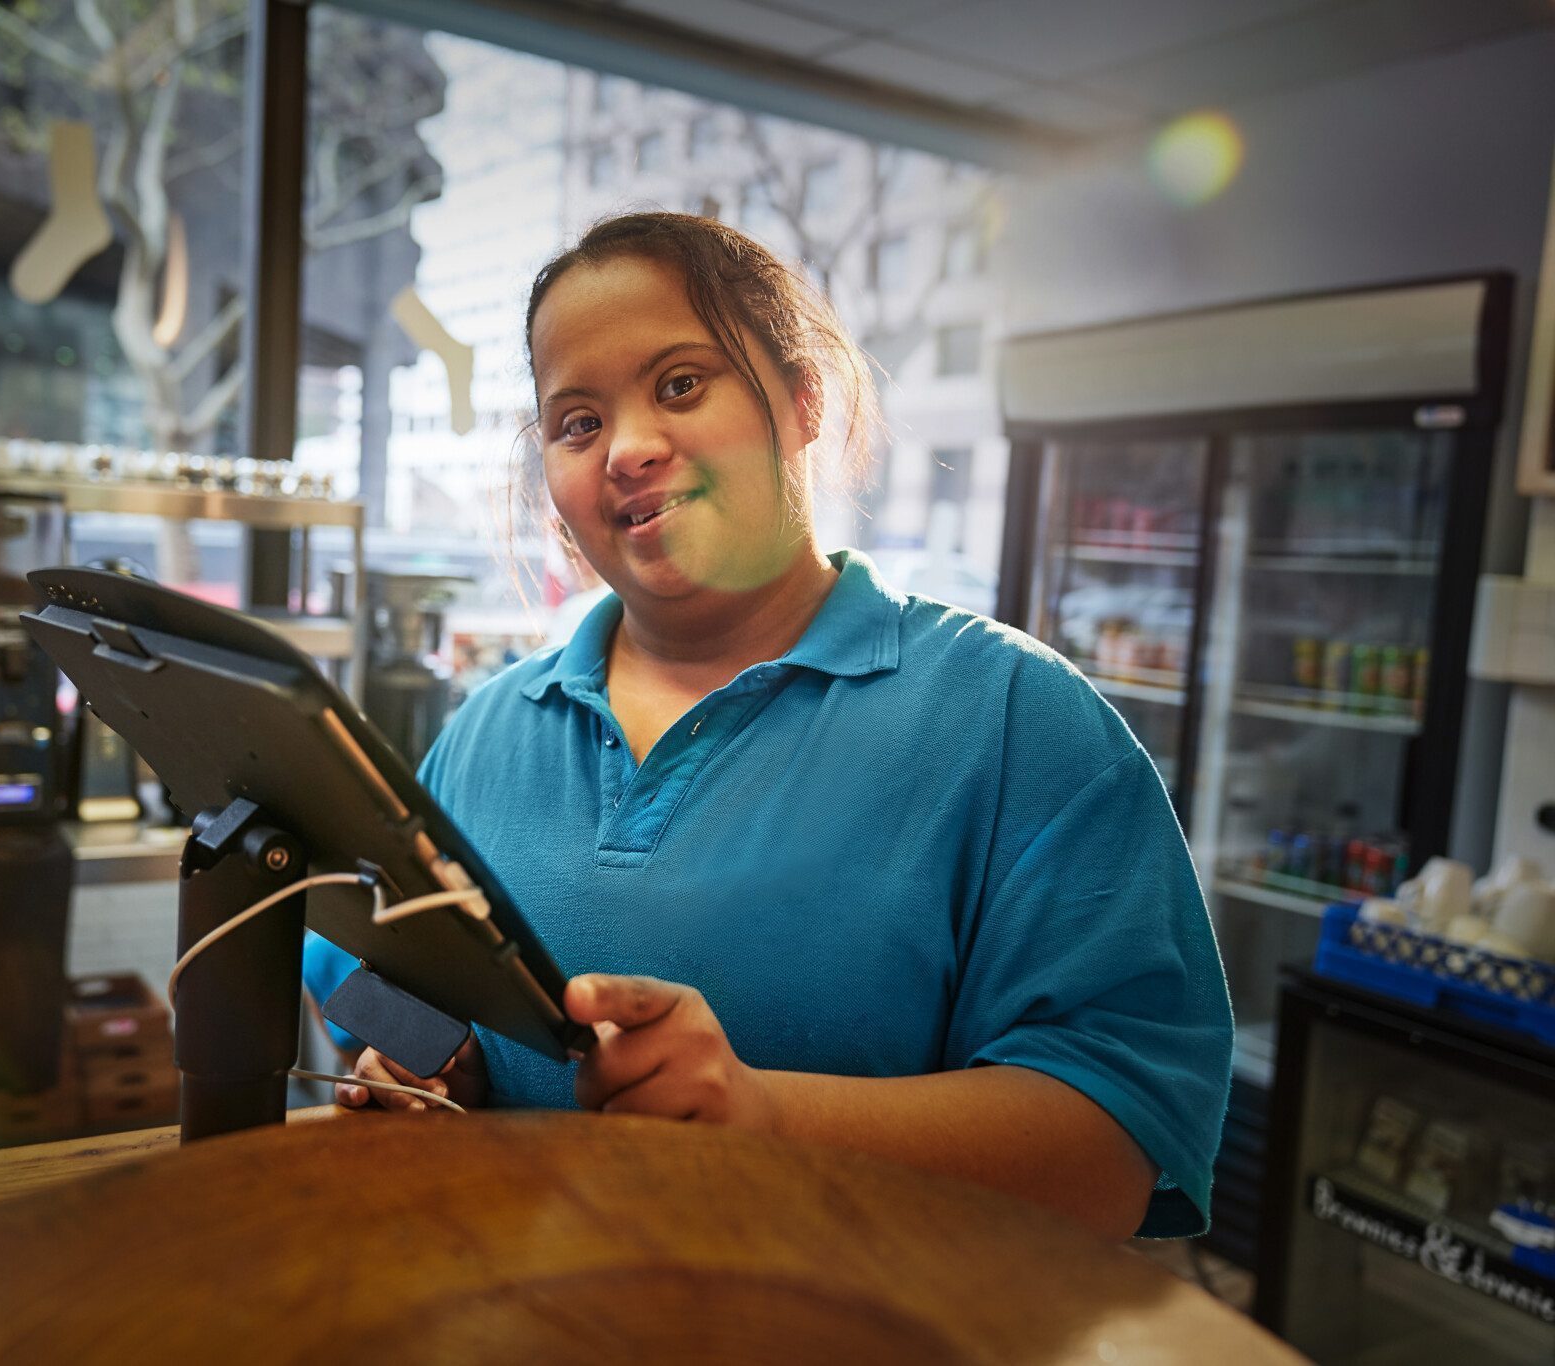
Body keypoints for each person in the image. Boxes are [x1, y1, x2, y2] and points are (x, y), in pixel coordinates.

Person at [302, 212, 1231, 1242]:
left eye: (680, 384)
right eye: (576, 421)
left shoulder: (1017, 722)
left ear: (799, 401)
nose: (629, 449)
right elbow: (385, 1001)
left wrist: (768, 1115)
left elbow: (1112, 1154)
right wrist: (438, 1065)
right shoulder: (483, 738)